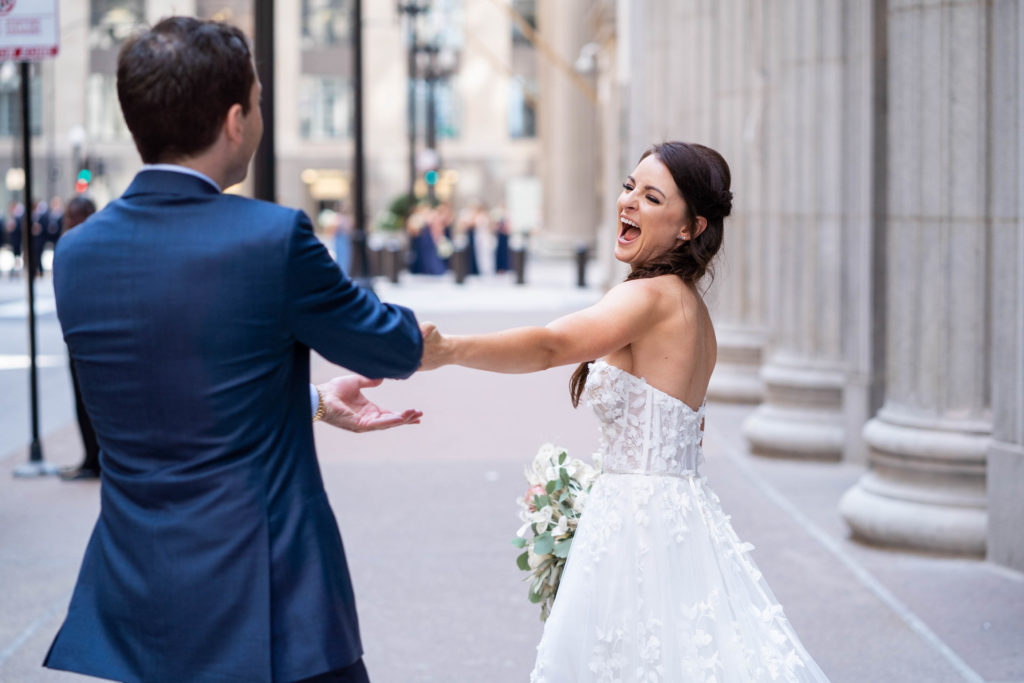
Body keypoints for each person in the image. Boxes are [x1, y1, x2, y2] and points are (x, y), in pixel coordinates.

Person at [45, 17, 426, 683]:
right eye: (257, 100)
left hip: (141, 597)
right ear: (233, 120)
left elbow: (176, 382)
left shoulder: (76, 253)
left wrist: (308, 399)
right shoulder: (271, 238)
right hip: (271, 594)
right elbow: (391, 346)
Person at [420, 142, 830, 681]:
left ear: (690, 227)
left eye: (651, 196)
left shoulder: (653, 297)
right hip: (674, 514)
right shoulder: (690, 306)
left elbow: (549, 346)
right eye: (629, 186)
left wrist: (449, 350)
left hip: (639, 529)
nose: (628, 202)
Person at [57, 196, 101, 481]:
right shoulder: (71, 244)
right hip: (78, 337)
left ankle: (96, 461)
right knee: (82, 402)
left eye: (73, 217)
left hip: (95, 336)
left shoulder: (92, 244)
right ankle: (90, 459)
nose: (68, 223)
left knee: (93, 404)